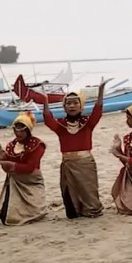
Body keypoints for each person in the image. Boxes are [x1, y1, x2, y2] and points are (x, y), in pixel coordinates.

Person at [42, 79, 106, 219]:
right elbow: (48, 120)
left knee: (89, 192)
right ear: (64, 107)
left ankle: (91, 210)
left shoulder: (88, 124)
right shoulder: (61, 126)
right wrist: (45, 102)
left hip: (86, 164)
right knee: (70, 194)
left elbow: (98, 112)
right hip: (68, 164)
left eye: (75, 103)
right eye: (68, 103)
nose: (72, 106)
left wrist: (100, 91)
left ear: (81, 106)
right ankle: (75, 212)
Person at [0, 111, 48, 225]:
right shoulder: (11, 145)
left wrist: (11, 164)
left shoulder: (37, 145)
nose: (18, 133)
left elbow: (30, 167)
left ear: (28, 130)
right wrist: (3, 159)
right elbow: (7, 170)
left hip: (31, 181)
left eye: (22, 129)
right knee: (6, 217)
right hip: (15, 181)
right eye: (16, 129)